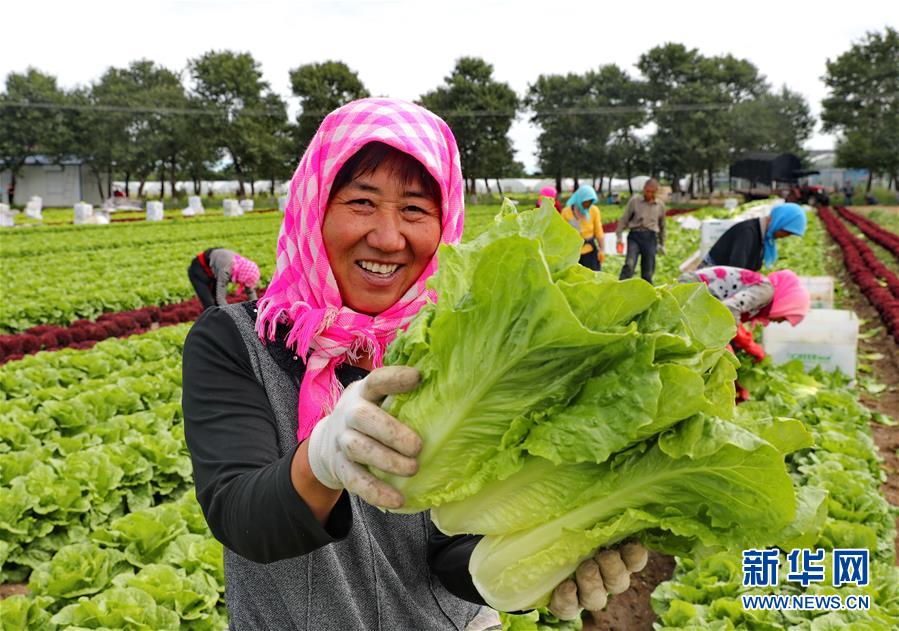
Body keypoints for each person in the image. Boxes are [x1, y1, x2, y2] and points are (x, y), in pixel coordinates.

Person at [181, 99, 646, 631]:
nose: (387, 236)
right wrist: (324, 457)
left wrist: (540, 565)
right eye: (361, 201)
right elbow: (241, 516)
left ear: (445, 223)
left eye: (415, 209)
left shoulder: (468, 345)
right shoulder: (236, 340)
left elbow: (453, 551)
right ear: (315, 206)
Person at [703, 202, 807, 271]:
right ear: (778, 221)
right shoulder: (748, 232)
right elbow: (735, 270)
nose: (784, 236)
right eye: (785, 232)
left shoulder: (761, 236)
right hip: (710, 281)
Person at [616, 178, 666, 283]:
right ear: (644, 189)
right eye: (647, 191)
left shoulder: (660, 206)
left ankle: (647, 294)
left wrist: (662, 244)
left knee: (648, 271)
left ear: (656, 191)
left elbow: (662, 226)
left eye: (652, 192)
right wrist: (619, 237)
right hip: (635, 236)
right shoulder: (635, 201)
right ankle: (620, 287)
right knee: (629, 265)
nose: (649, 194)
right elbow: (624, 218)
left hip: (650, 238)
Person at [187, 248, 260, 309]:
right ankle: (212, 324)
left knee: (216, 302)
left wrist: (256, 308)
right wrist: (230, 315)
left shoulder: (242, 267)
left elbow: (250, 291)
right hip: (199, 269)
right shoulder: (226, 270)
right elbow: (220, 297)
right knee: (210, 303)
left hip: (214, 267)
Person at [561, 185, 604, 271]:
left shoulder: (594, 211)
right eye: (585, 202)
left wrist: (602, 249)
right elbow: (561, 233)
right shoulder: (566, 212)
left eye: (590, 202)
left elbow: (599, 231)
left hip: (589, 251)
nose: (588, 205)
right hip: (572, 253)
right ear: (580, 199)